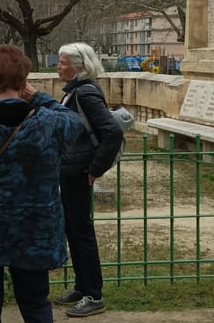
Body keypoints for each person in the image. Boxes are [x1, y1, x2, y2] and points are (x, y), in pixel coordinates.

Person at [0, 44, 81, 323]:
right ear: (24, 81)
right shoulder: (49, 122)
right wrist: (38, 97)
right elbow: (74, 121)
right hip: (35, 226)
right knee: (35, 304)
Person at [53, 42, 123, 317]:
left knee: (82, 233)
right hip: (71, 171)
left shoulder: (85, 93)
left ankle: (94, 294)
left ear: (79, 67)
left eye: (62, 63)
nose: (58, 66)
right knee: (73, 229)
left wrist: (95, 170)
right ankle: (82, 287)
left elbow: (111, 133)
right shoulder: (74, 92)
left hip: (81, 173)